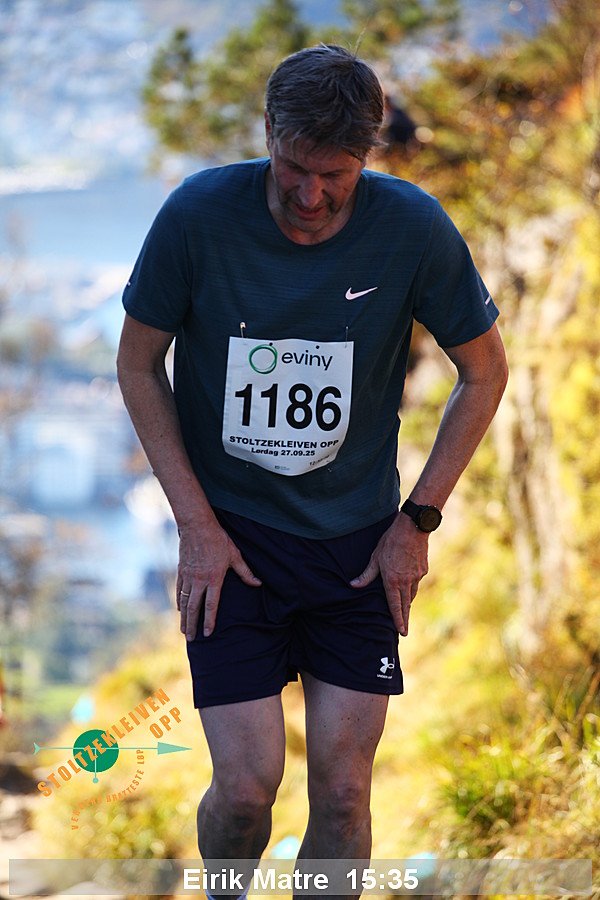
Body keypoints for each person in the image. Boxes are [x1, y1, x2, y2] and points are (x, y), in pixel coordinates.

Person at [117, 43, 508, 895]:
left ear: (368, 153)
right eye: (293, 167)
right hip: (233, 544)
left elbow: (484, 372)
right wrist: (195, 525)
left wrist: (418, 520)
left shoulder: (412, 227)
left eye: (335, 175)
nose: (309, 195)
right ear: (268, 131)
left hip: (357, 549)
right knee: (245, 793)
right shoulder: (198, 216)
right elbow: (138, 364)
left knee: (341, 794)